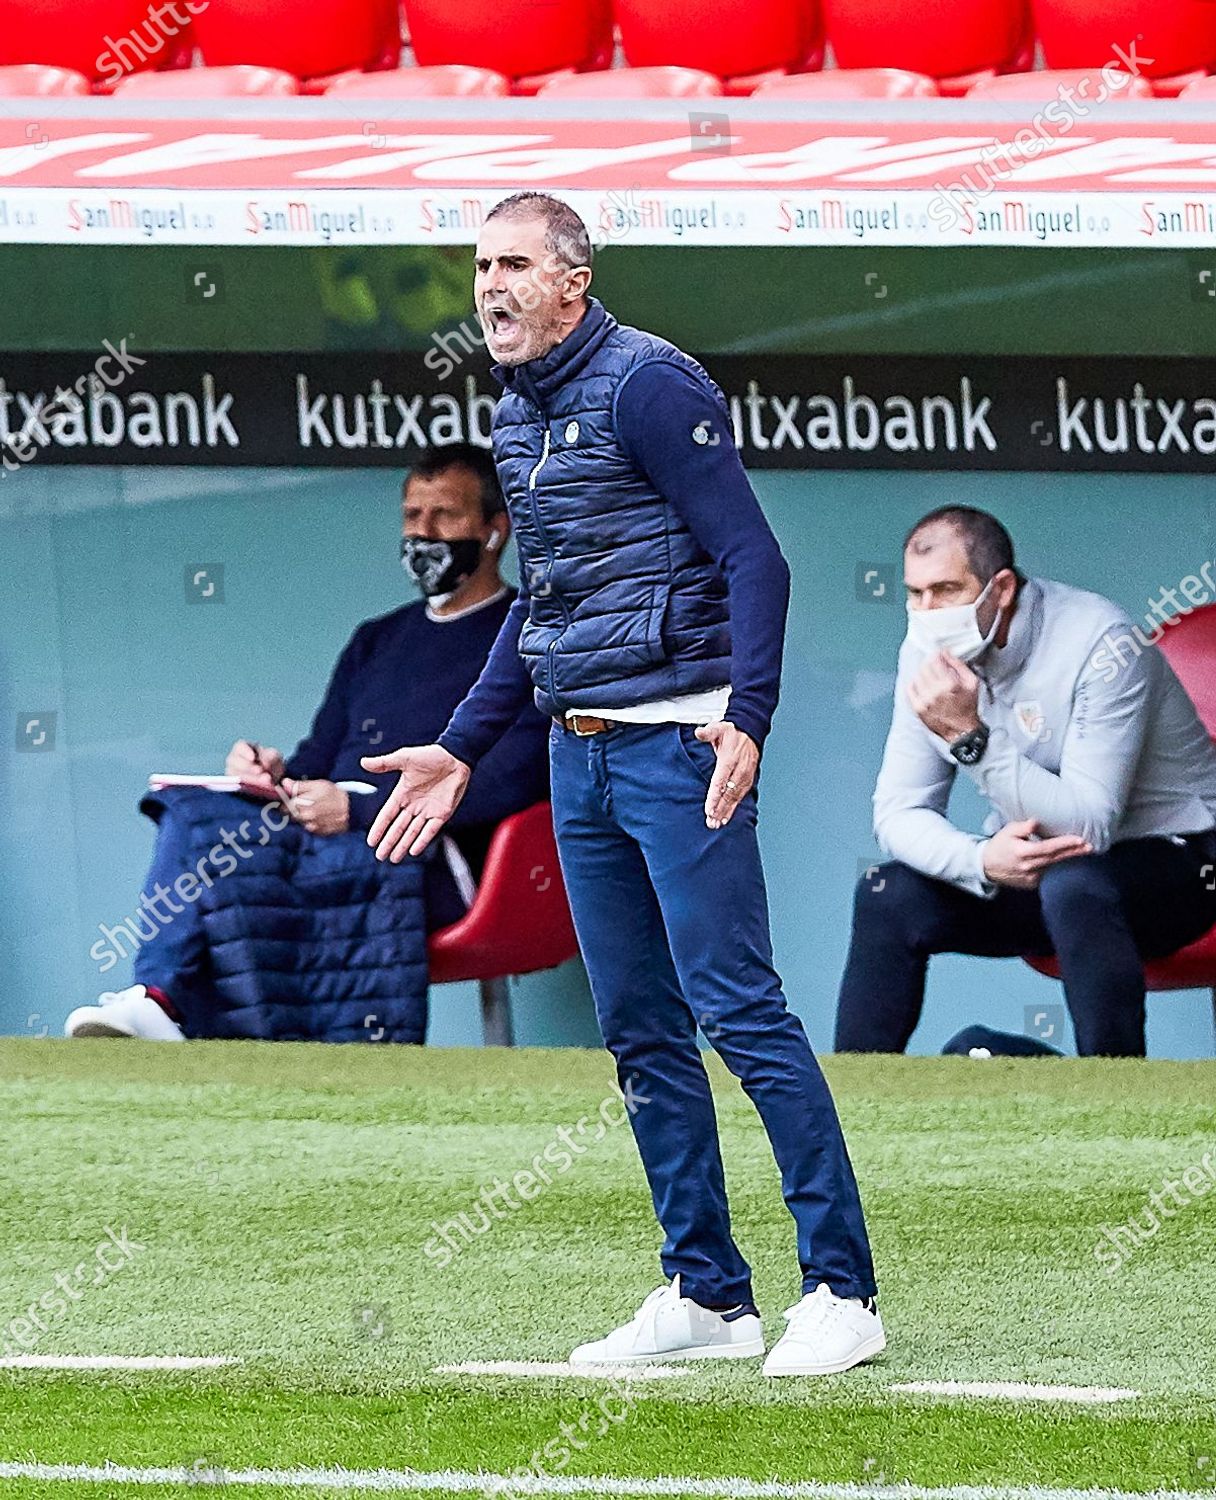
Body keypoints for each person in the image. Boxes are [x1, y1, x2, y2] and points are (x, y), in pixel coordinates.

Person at [362, 191, 882, 1377]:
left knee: (740, 1012)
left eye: (514, 265)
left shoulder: (651, 384)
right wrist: (459, 744)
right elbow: (540, 612)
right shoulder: (513, 416)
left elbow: (756, 555)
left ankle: (843, 1292)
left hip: (680, 747)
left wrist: (746, 716)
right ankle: (707, 1295)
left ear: (572, 284)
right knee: (641, 1029)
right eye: (478, 265)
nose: (489, 286)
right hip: (575, 755)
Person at [66, 445, 549, 1044]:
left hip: (437, 856)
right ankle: (156, 998)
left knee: (234, 864)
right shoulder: (377, 640)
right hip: (331, 833)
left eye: (444, 515)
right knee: (194, 812)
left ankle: (165, 1005)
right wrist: (273, 776)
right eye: (410, 515)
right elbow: (321, 759)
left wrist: (359, 810)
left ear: (495, 530)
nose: (422, 532)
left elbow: (519, 778)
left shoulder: (528, 636)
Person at [835, 505, 1216, 1058]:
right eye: (914, 594)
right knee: (886, 893)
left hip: (1184, 868)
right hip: (1040, 872)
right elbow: (896, 812)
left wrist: (972, 738)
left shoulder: (1102, 641)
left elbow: (1089, 825)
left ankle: (1117, 1098)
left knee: (1075, 883)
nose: (926, 612)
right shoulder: (924, 652)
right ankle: (850, 1113)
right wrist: (981, 860)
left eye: (945, 590)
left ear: (1002, 588)